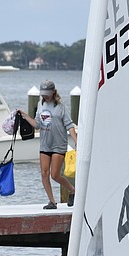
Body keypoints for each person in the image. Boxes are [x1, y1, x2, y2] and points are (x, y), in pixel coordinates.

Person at [18, 80, 78, 209]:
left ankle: (73, 190)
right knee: (44, 174)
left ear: (53, 92)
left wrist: (76, 141)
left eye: (47, 93)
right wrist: (25, 116)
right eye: (43, 94)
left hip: (59, 144)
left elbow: (69, 125)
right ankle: (52, 201)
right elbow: (37, 125)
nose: (45, 96)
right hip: (45, 144)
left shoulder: (61, 106)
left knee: (55, 175)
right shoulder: (40, 104)